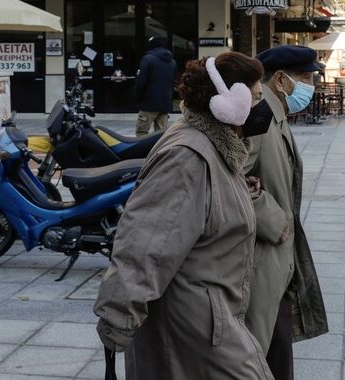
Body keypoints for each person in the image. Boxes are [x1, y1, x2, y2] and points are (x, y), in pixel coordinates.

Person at [94, 52, 275, 380]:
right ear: (228, 103)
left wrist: (238, 191)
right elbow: (144, 243)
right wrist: (117, 320)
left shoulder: (217, 148)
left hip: (210, 317)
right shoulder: (188, 157)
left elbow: (199, 211)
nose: (262, 108)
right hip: (190, 324)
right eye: (257, 96)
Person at [244, 45, 328, 380]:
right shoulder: (259, 117)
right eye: (306, 78)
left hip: (276, 265)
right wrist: (273, 219)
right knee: (260, 358)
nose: (312, 86)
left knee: (275, 355)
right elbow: (225, 178)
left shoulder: (273, 113)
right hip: (259, 262)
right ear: (280, 79)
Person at [134, 36, 177, 136]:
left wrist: (138, 99)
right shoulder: (172, 62)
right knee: (161, 135)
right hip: (165, 103)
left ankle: (144, 152)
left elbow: (141, 82)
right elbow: (173, 82)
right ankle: (160, 152)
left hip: (148, 103)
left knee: (142, 133)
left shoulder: (147, 59)